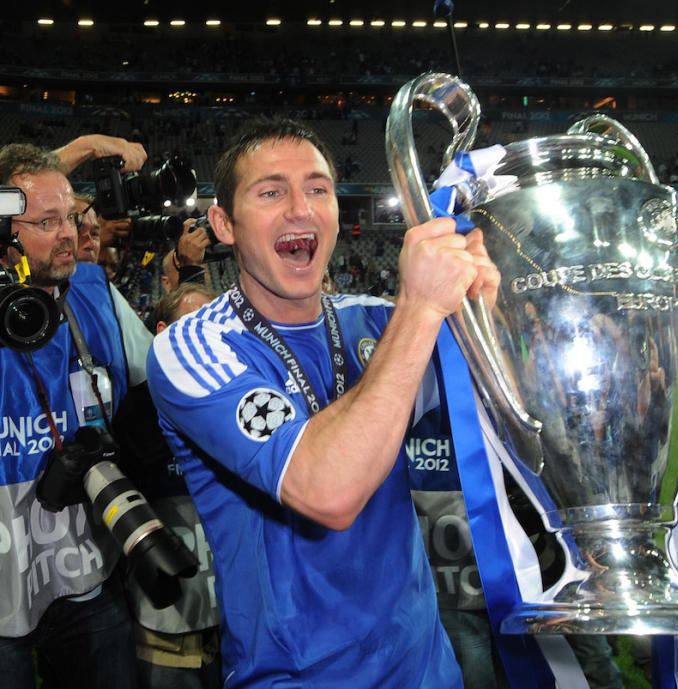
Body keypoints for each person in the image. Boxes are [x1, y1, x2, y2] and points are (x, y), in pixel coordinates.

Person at [147, 117, 495, 688]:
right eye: (270, 192)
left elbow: (521, 410)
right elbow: (326, 491)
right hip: (297, 675)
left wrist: (489, 299)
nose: (300, 209)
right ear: (223, 224)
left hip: (426, 668)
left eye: (317, 188)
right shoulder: (193, 347)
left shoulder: (378, 321)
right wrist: (420, 308)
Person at [0, 141, 153, 689]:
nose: (68, 233)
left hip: (89, 571)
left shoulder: (96, 292)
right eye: (46, 221)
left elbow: (161, 389)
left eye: (70, 216)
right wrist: (87, 146)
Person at [129, 281, 221, 689]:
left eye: (216, 326)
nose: (207, 337)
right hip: (165, 623)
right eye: (194, 324)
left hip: (234, 620)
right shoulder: (136, 411)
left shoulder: (241, 405)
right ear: (163, 331)